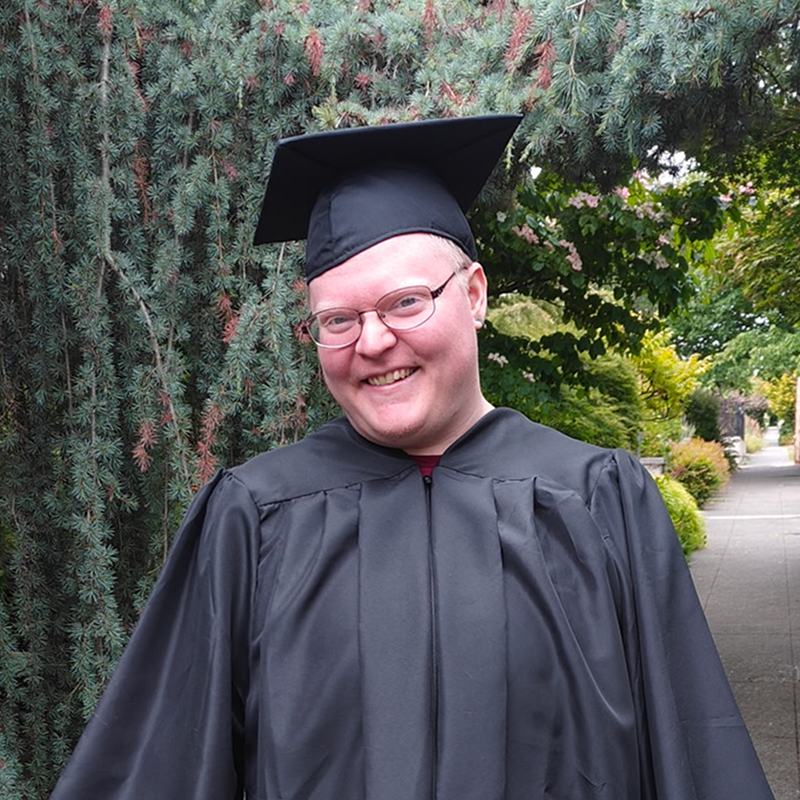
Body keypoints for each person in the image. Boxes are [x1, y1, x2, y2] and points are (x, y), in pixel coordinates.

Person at [50, 115, 774, 799]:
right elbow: (162, 761)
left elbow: (691, 751)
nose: (371, 342)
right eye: (339, 319)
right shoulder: (254, 516)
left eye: (404, 303)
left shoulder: (597, 499)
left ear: (475, 293)